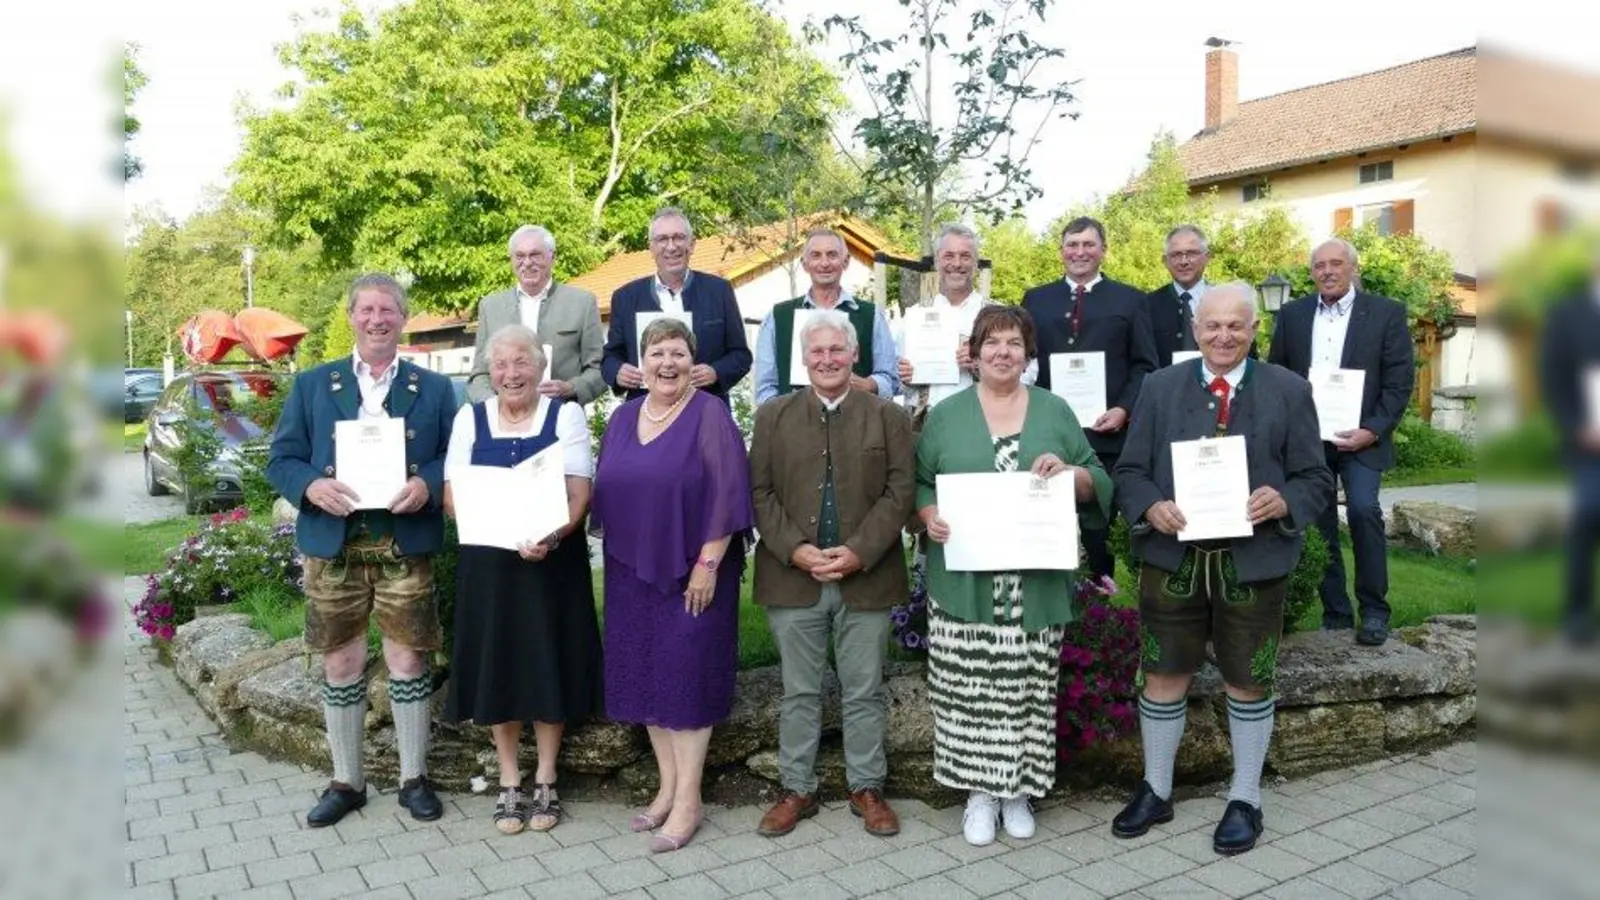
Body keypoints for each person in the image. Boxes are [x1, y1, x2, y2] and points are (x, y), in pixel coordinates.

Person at [1111, 283, 1332, 856]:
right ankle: (1156, 788)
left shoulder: (1289, 389)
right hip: (1173, 562)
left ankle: (1245, 796)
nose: (1223, 336)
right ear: (1195, 330)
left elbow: (1315, 478)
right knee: (1162, 673)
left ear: (1254, 330)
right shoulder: (1159, 388)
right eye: (1213, 326)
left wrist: (1284, 501)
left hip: (1252, 565)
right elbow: (1130, 472)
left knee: (1249, 677)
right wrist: (1149, 505)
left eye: (1236, 326)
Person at [915, 305, 1113, 847]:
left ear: (1029, 354)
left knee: (1027, 686)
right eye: (991, 343)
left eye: (1014, 343)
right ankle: (979, 796)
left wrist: (1071, 475)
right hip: (966, 582)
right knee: (968, 690)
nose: (1003, 352)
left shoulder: (1054, 410)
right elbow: (920, 482)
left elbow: (1097, 478)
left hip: (1034, 581)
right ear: (974, 354)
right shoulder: (947, 414)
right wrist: (929, 515)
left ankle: (1019, 791)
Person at [266, 273, 458, 828]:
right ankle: (347, 781)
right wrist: (309, 486)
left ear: (403, 318)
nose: (377, 319)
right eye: (367, 310)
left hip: (403, 542)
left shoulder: (433, 388)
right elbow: (281, 459)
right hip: (335, 544)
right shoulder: (311, 384)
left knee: (408, 657)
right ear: (351, 316)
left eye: (388, 310)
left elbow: (455, 454)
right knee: (342, 660)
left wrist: (428, 483)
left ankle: (413, 778)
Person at [590, 317, 756, 853]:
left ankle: (689, 801)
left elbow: (730, 495)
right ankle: (665, 789)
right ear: (642, 362)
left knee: (685, 683)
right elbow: (607, 488)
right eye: (658, 352)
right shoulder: (623, 416)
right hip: (632, 570)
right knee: (648, 680)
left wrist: (708, 564)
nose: (668, 363)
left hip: (694, 572)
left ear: (693, 362)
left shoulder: (710, 415)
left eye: (678, 354)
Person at [750, 310, 916, 840]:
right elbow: (759, 493)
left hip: (865, 576)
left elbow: (900, 492)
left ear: (854, 356)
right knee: (799, 691)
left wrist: (859, 551)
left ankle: (866, 787)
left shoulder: (886, 415)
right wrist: (796, 549)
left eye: (836, 350)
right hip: (792, 577)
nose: (826, 359)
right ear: (803, 359)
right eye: (817, 351)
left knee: (864, 689)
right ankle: (796, 787)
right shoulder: (772, 416)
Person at [442, 324, 603, 835]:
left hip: (550, 563)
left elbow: (579, 493)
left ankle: (548, 776)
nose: (511, 373)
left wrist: (550, 537)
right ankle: (510, 777)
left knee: (546, 660)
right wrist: (496, 527)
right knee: (499, 665)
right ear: (490, 372)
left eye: (521, 362)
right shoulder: (471, 418)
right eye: (501, 365)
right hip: (489, 566)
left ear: (540, 367)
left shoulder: (567, 414)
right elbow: (451, 493)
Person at [1267, 238, 1414, 646]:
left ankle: (1374, 610)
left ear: (1352, 268)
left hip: (1363, 438)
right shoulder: (1294, 315)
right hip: (1309, 441)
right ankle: (1335, 612)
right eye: (1319, 266)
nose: (1327, 271)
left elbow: (1400, 380)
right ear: (1311, 272)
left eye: (1336, 264)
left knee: (1365, 510)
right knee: (1318, 521)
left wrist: (1373, 429)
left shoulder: (1385, 313)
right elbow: (1277, 372)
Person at [1021, 216, 1158, 583]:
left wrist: (1124, 408)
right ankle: (1051, 601)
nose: (1079, 252)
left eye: (1088, 244)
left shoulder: (1131, 300)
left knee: (1099, 527)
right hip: (1048, 432)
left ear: (1103, 250)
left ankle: (1101, 608)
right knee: (1048, 522)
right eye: (1072, 244)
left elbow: (1145, 364)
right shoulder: (1036, 299)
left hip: (1107, 436)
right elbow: (1025, 360)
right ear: (1061, 250)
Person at [602, 207, 752, 401]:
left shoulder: (719, 291)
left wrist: (716, 372)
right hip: (645, 412)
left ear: (692, 244)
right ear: (651, 248)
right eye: (662, 239)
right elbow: (610, 356)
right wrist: (618, 372)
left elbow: (741, 355)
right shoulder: (625, 297)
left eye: (678, 237)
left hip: (705, 408)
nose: (671, 247)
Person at [754, 228, 900, 405]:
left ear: (845, 262)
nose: (824, 263)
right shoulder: (778, 317)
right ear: (804, 263)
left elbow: (891, 379)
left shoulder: (871, 315)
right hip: (794, 427)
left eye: (832, 255)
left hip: (856, 423)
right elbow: (765, 388)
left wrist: (870, 384)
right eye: (816, 255)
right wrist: (782, 418)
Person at [1537, 243, 1600, 645]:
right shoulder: (1566, 312)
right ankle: (1577, 613)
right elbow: (1552, 378)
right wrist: (1578, 426)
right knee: (1589, 513)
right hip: (1588, 443)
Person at [467, 225, 607, 405]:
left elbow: (599, 369)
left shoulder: (582, 303)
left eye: (535, 255)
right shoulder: (490, 307)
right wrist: (492, 405)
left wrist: (571, 388)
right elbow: (479, 373)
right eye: (520, 256)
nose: (527, 263)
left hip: (560, 415)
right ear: (511, 260)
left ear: (552, 257)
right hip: (502, 420)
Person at [896, 224, 995, 419]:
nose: (957, 263)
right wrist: (905, 378)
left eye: (965, 256)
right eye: (948, 256)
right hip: (926, 422)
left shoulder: (996, 315)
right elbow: (896, 380)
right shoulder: (914, 316)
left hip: (982, 421)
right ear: (936, 262)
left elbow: (1025, 373)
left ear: (976, 263)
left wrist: (980, 364)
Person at [1147, 224, 1260, 368]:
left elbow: (1248, 354)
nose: (1184, 261)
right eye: (1176, 255)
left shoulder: (1230, 300)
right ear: (1165, 261)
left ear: (1207, 257)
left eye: (1192, 253)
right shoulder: (1147, 305)